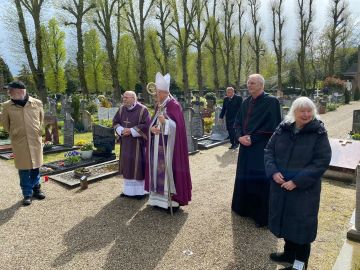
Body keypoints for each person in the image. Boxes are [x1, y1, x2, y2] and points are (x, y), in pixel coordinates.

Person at [264, 97, 331, 269]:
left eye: (309, 111)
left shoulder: (318, 133)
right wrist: (273, 172)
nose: (306, 114)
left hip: (304, 191)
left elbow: (321, 161)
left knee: (302, 229)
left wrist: (297, 181)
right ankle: (288, 254)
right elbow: (269, 151)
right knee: (286, 222)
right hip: (281, 186)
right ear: (294, 112)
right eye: (302, 111)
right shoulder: (283, 128)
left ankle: (299, 266)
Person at [232, 74, 281, 227]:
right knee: (244, 176)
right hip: (245, 148)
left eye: (252, 83)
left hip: (261, 148)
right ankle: (243, 208)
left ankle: (259, 214)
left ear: (261, 85)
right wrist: (239, 137)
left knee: (259, 179)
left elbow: (273, 126)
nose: (249, 85)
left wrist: (253, 138)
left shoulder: (271, 101)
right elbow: (238, 122)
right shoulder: (246, 102)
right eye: (248, 83)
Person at [145, 72, 192, 211]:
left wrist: (165, 122)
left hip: (170, 148)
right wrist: (152, 129)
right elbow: (152, 123)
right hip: (157, 144)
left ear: (164, 92)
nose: (155, 95)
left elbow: (178, 127)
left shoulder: (173, 105)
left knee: (168, 171)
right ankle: (156, 200)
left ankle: (171, 201)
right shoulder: (159, 105)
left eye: (157, 92)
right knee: (157, 170)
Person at [0, 81, 45, 206]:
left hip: (35, 140)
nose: (8, 93)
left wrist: (35, 131)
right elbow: (5, 124)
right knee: (24, 168)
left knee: (36, 166)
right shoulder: (7, 106)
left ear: (20, 91)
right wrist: (16, 132)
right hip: (19, 141)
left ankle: (37, 189)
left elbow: (40, 120)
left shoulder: (37, 103)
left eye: (10, 91)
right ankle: (27, 193)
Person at [113, 91, 151, 198]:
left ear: (134, 98)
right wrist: (121, 130)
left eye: (126, 98)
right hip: (125, 143)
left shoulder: (143, 110)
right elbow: (115, 122)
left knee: (137, 166)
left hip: (138, 144)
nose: (124, 99)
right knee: (127, 165)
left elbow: (147, 125)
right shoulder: (121, 109)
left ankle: (141, 192)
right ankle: (127, 191)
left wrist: (131, 130)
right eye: (123, 97)